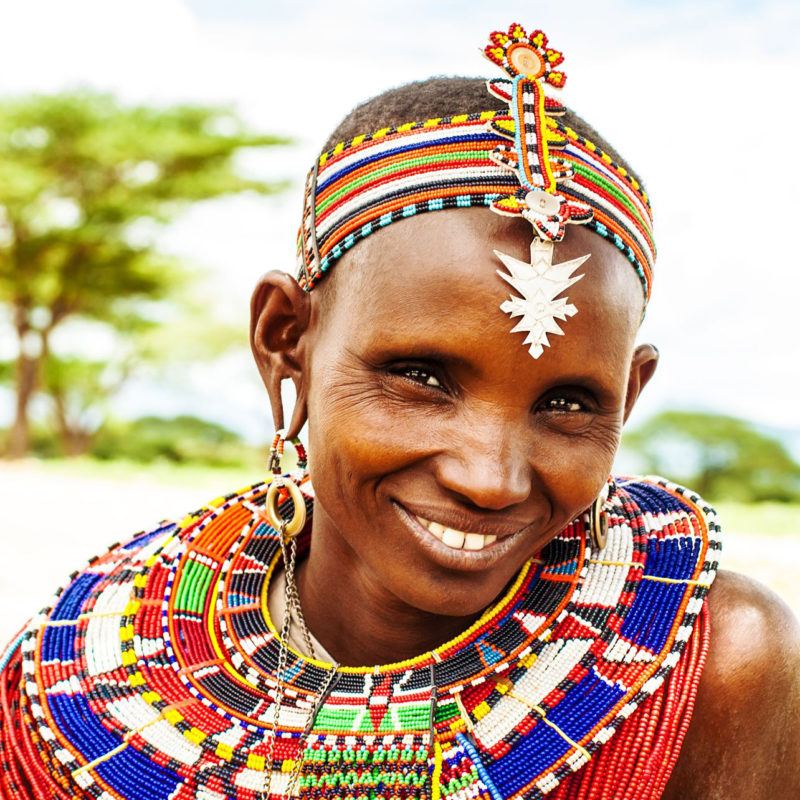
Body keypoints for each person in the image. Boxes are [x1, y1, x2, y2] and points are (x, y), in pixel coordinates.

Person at [1, 21, 798, 800]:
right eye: (421, 376)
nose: (491, 478)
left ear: (628, 397)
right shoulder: (74, 676)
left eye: (567, 401)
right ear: (287, 342)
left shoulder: (716, 662)